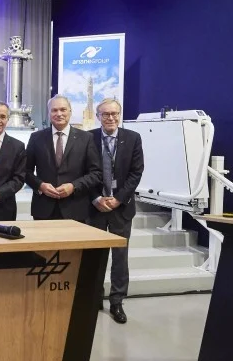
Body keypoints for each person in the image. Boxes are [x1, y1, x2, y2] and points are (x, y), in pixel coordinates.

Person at [89, 98, 144, 324]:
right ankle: (94, 298)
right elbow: (83, 171)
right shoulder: (88, 138)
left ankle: (117, 301)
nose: (110, 118)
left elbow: (136, 172)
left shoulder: (133, 138)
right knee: (94, 256)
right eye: (105, 114)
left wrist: (119, 199)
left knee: (120, 257)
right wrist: (96, 198)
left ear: (119, 115)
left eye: (114, 114)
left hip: (121, 208)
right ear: (98, 116)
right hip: (95, 207)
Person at [25, 95, 102, 222]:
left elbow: (96, 173)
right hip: (44, 209)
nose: (59, 114)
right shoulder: (36, 138)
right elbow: (25, 171)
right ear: (49, 113)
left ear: (70, 112)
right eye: (54, 110)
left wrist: (73, 186)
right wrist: (40, 186)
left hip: (76, 209)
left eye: (63, 109)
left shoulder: (86, 138)